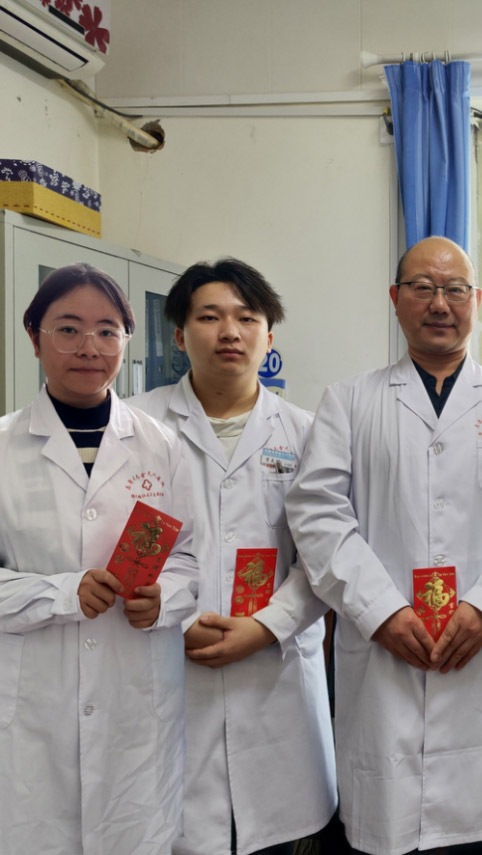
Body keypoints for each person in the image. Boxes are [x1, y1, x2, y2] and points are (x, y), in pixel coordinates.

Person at [286, 235, 482, 855]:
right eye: (423, 288)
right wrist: (380, 610)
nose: (440, 303)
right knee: (389, 833)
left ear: (475, 300)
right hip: (386, 657)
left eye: (455, 289)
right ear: (396, 298)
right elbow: (318, 512)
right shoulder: (349, 402)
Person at [129, 259, 336, 855]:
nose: (229, 332)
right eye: (209, 317)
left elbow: (325, 555)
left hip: (275, 670)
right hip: (168, 664)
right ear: (178, 335)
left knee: (277, 836)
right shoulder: (136, 427)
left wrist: (267, 626)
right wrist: (175, 620)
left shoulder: (308, 433)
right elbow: (125, 545)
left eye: (247, 318)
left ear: (268, 338)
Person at [0, 263, 199, 854]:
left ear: (127, 341)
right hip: (34, 712)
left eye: (108, 331)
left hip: (134, 705)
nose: (89, 347)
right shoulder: (3, 447)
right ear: (34, 337)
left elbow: (190, 560)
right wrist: (63, 592)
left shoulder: (163, 446)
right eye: (68, 329)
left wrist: (165, 599)